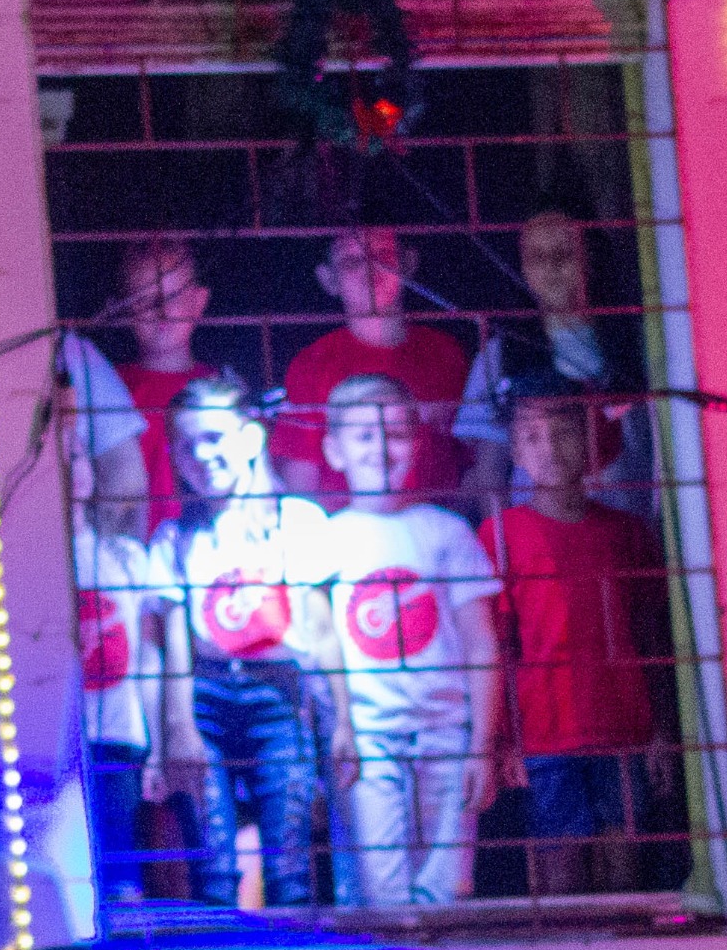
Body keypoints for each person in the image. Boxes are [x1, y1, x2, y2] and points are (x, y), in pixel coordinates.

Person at [156, 374, 353, 910]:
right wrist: (178, 727)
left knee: (290, 867)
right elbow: (175, 647)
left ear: (250, 438)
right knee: (214, 870)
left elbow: (322, 631)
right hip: (207, 699)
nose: (202, 455)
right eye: (187, 445)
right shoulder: (176, 539)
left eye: (214, 438)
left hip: (280, 697)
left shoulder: (298, 521)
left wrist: (341, 721)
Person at [319, 373, 501, 907]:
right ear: (334, 450)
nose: (380, 449)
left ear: (416, 444)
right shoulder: (327, 538)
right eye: (363, 435)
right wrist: (341, 725)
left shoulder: (447, 532)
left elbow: (481, 645)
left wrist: (482, 747)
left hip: (446, 736)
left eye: (395, 434)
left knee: (446, 897)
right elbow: (322, 644)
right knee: (380, 895)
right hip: (369, 743)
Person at [487, 390, 676, 896]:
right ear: (515, 452)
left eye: (565, 433)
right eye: (533, 437)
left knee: (625, 866)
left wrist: (661, 732)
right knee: (559, 870)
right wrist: (504, 741)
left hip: (623, 727)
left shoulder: (626, 533)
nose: (550, 448)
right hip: (542, 732)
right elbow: (497, 649)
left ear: (590, 440)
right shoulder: (501, 535)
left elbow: (652, 637)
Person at [460, 202, 651, 518]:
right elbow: (490, 471)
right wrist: (506, 537)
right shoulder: (498, 355)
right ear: (521, 267)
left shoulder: (635, 342)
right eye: (537, 257)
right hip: (539, 532)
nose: (551, 266)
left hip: (627, 522)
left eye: (564, 253)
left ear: (588, 257)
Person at [65, 426, 174, 922]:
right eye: (60, 456)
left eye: (77, 454)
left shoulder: (126, 557)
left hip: (118, 737)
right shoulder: (31, 564)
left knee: (123, 879)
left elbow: (149, 656)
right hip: (60, 744)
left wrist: (157, 745)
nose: (70, 467)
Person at [278, 225, 468, 508]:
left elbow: (472, 462)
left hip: (435, 526)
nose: (369, 270)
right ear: (328, 279)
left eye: (382, 256)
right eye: (352, 262)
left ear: (407, 262)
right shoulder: (312, 364)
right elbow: (301, 480)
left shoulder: (446, 353)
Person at [54, 231, 218, 538]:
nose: (162, 311)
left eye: (174, 297)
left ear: (199, 302)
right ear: (123, 309)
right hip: (128, 545)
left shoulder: (219, 390)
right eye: (145, 299)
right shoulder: (109, 389)